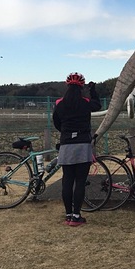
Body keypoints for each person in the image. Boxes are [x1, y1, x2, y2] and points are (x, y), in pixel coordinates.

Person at [52, 72, 102, 226]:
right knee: (80, 182)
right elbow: (97, 105)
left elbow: (56, 121)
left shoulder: (60, 103)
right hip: (83, 144)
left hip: (66, 144)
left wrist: (65, 133)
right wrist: (93, 90)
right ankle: (76, 216)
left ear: (67, 85)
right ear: (81, 87)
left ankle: (68, 215)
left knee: (67, 180)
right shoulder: (85, 102)